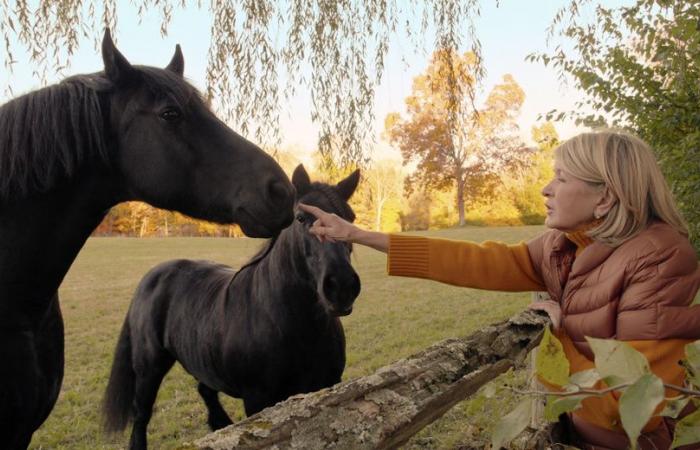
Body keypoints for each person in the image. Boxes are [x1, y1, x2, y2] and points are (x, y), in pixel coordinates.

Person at [298, 130, 700, 450]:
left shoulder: (659, 259)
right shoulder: (565, 246)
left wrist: (554, 340)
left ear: (606, 196)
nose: (546, 189)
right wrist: (359, 235)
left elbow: (632, 411)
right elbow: (478, 261)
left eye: (561, 178)